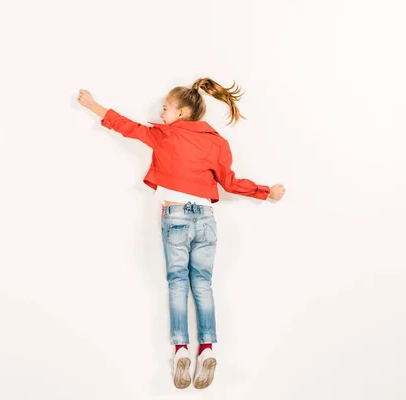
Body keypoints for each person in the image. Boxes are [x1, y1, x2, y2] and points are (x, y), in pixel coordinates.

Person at [77, 77, 286, 390]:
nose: (161, 114)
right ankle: (208, 349)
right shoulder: (217, 141)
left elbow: (130, 128)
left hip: (175, 216)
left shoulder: (166, 135)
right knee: (202, 283)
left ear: (182, 113)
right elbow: (229, 183)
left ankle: (181, 351)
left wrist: (94, 106)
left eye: (165, 109)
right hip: (206, 218)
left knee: (177, 283)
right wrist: (266, 191)